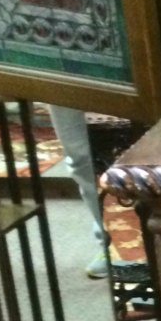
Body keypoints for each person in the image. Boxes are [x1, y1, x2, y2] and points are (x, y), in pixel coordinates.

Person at [47, 105, 109, 278]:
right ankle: (109, 242)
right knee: (80, 159)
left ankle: (147, 245)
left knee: (125, 147)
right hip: (64, 80)